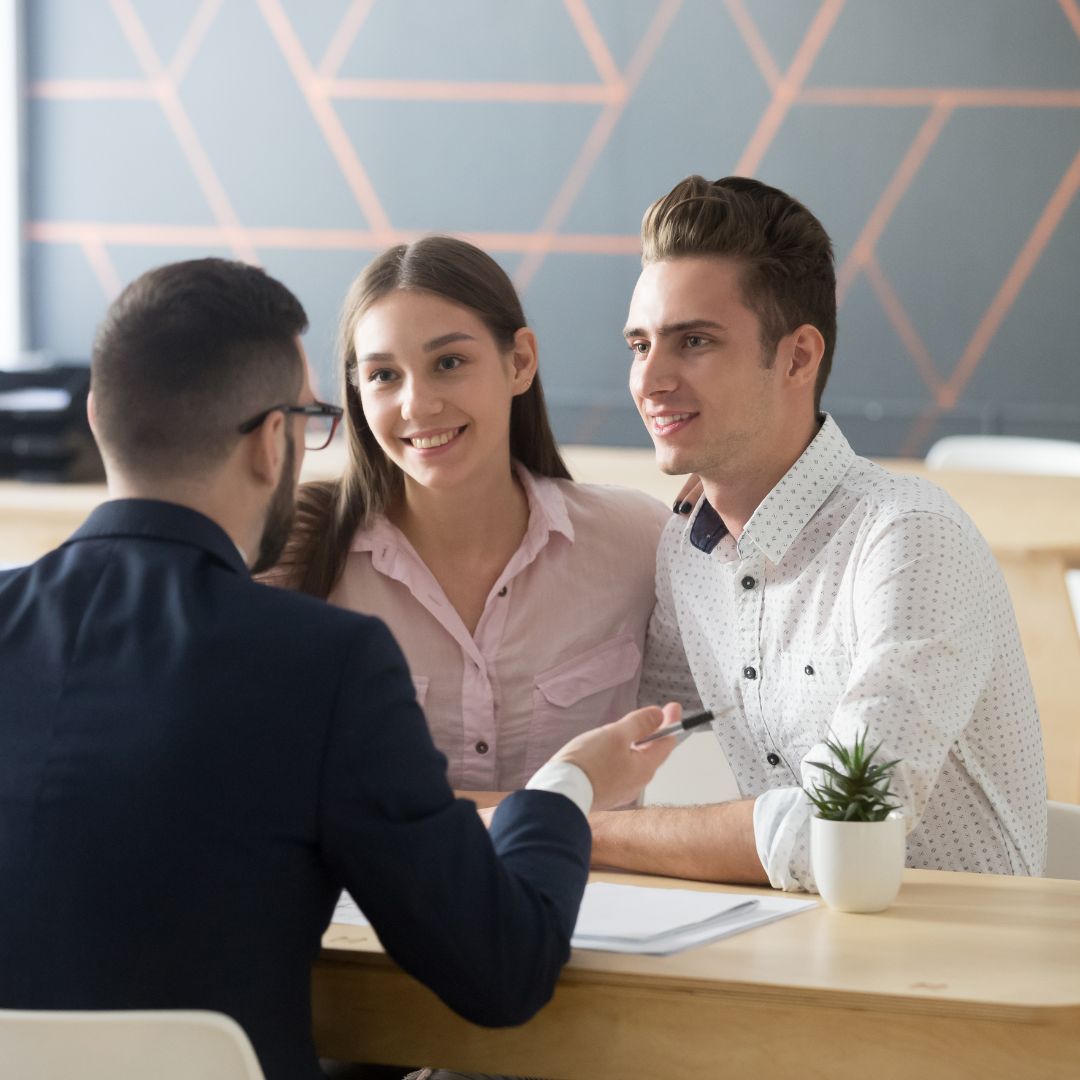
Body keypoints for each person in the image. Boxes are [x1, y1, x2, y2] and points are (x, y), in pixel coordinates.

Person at [0, 258, 677, 1080]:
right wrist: (565, 787)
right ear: (273, 440)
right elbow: (502, 974)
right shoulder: (321, 659)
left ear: (98, 416)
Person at [589, 175, 1047, 891]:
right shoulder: (686, 550)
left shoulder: (908, 536)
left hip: (960, 977)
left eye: (695, 341)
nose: (650, 378)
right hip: (787, 948)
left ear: (799, 357)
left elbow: (841, 827)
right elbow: (651, 778)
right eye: (639, 344)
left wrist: (579, 833)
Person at [270, 236, 669, 805]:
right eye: (384, 375)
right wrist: (566, 793)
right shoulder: (299, 559)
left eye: (449, 363)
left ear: (520, 362)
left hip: (593, 892)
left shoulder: (637, 542)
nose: (417, 404)